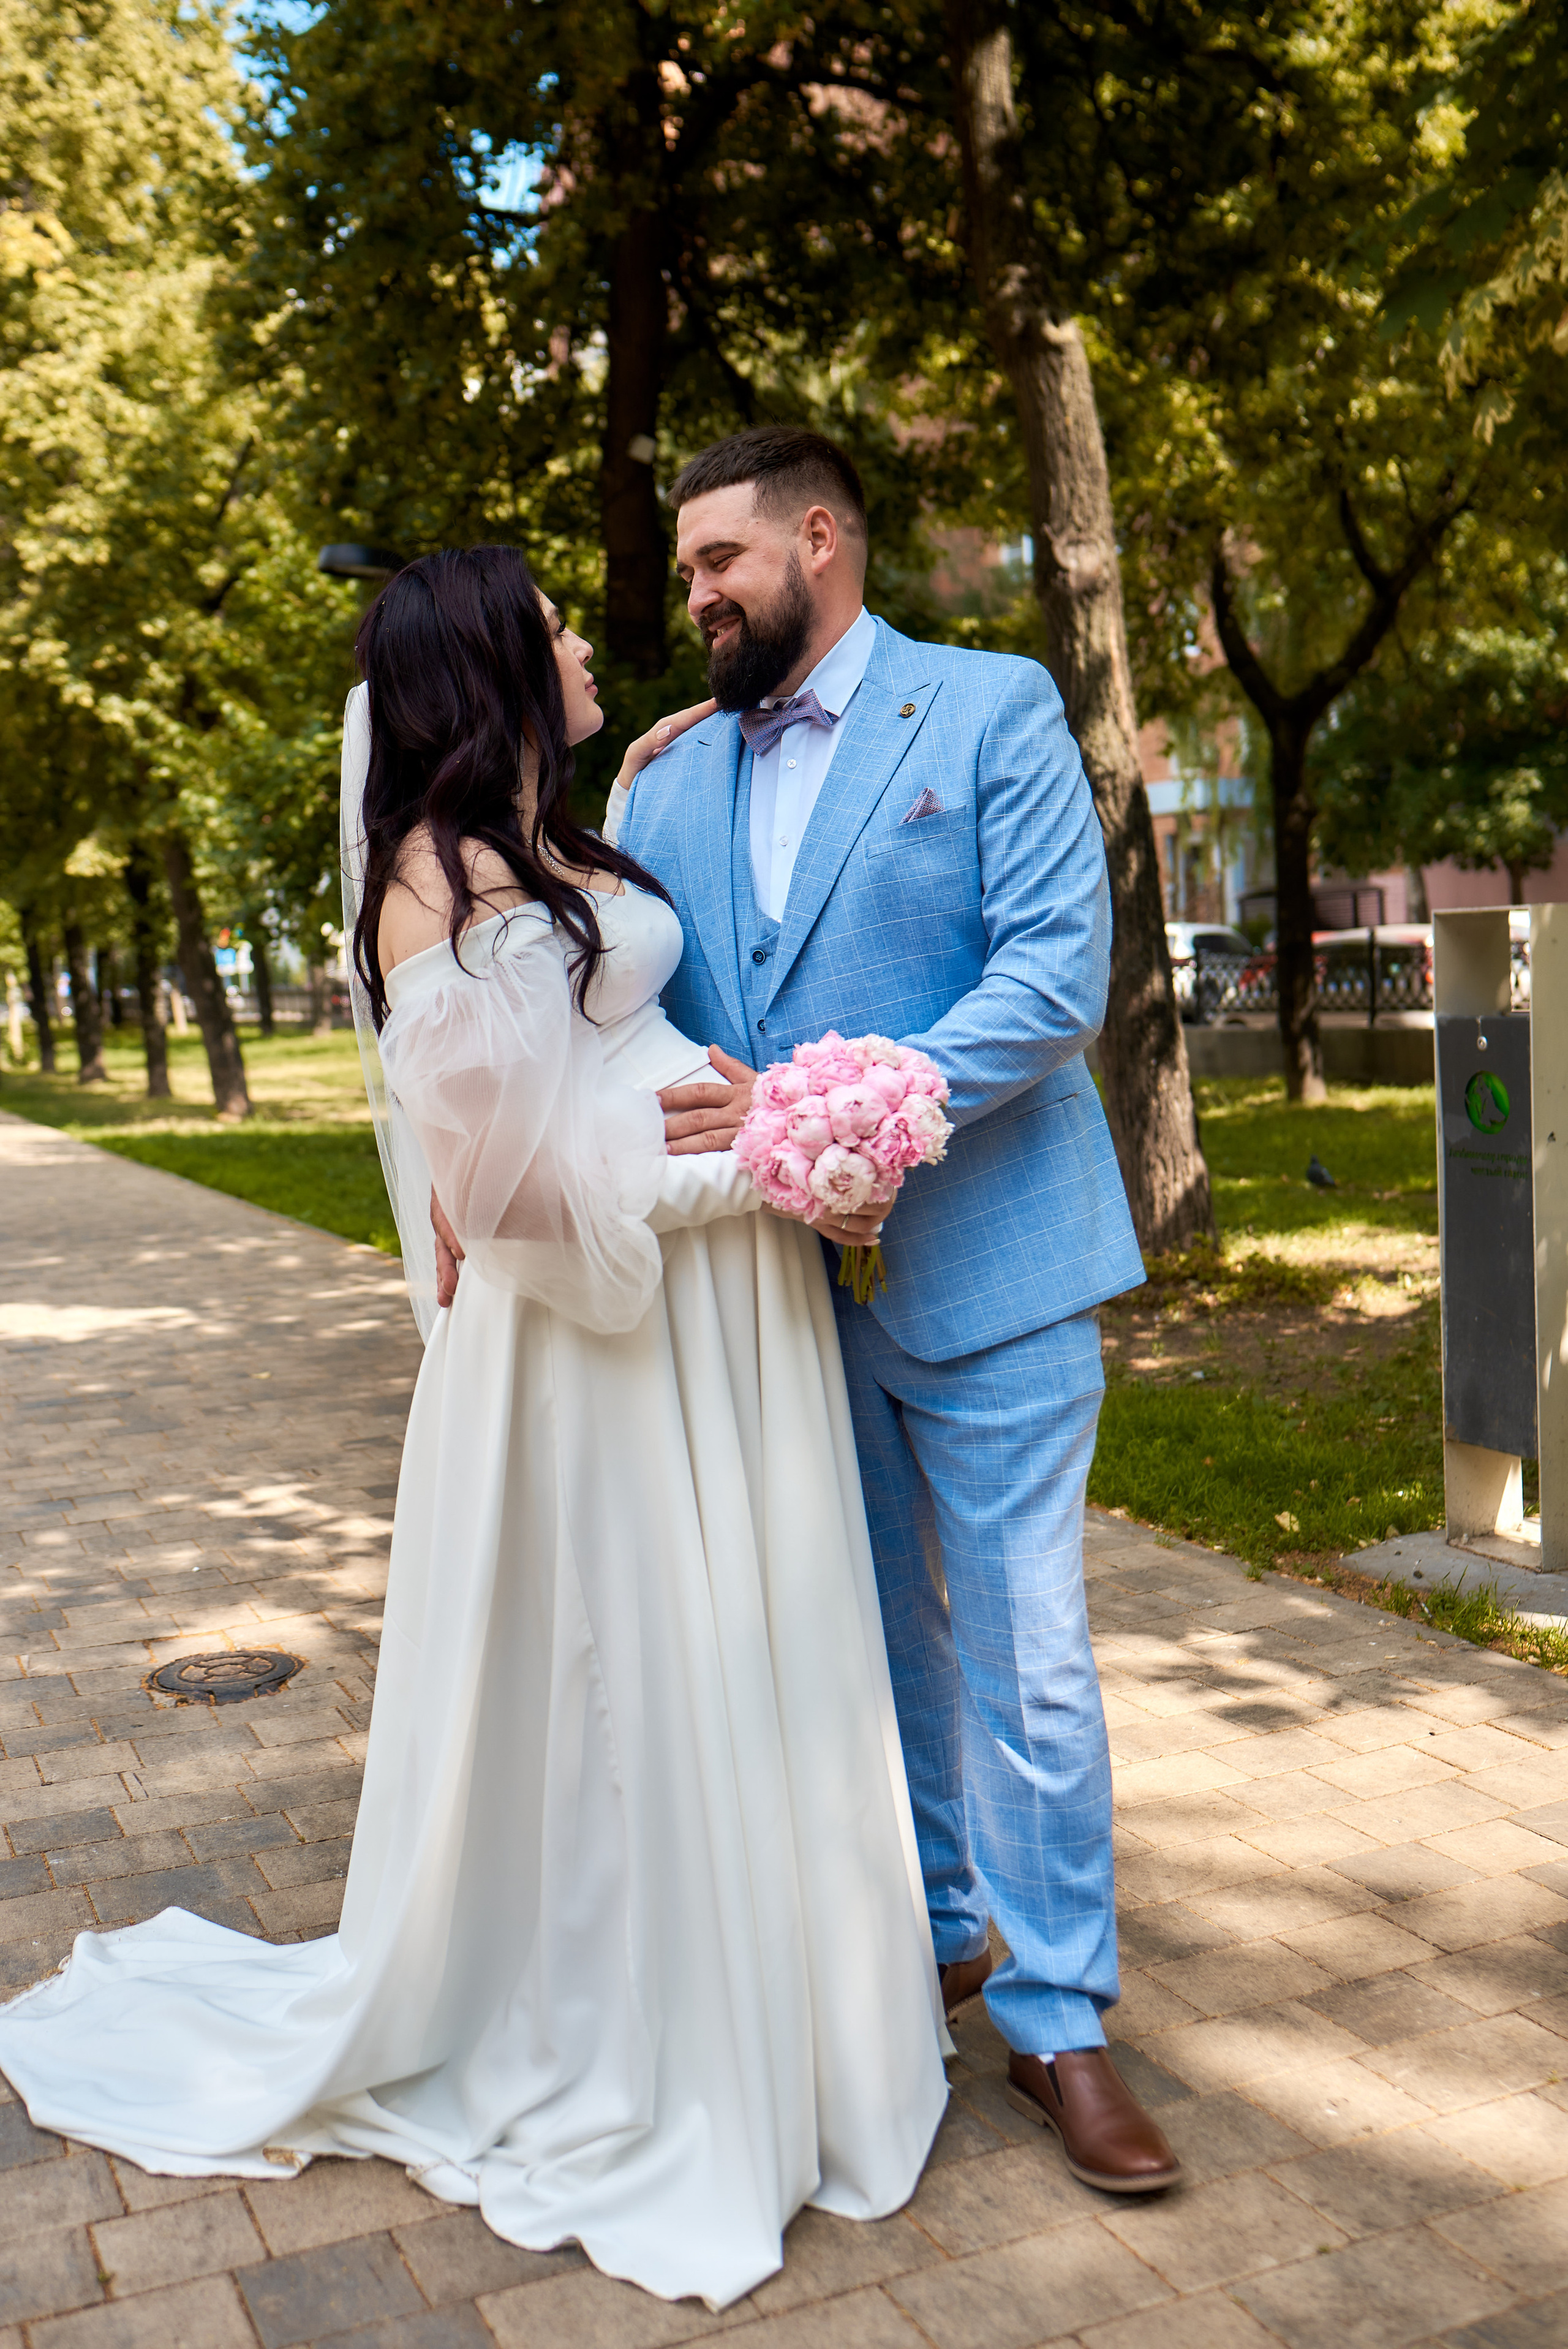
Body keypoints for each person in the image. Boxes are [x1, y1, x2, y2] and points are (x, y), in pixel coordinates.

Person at [0, 547, 948, 2310]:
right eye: (561, 625)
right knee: (633, 1670)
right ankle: (641, 2031)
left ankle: (792, 2007)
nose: (594, 637)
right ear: (495, 661)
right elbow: (504, 1191)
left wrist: (758, 1132)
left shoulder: (561, 841)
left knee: (737, 1649)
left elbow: (602, 1029)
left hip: (707, 1310)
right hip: (599, 1334)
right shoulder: (433, 889)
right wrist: (756, 1162)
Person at [604, 426, 1181, 2194]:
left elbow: (1048, 978)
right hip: (779, 1301)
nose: (695, 592)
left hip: (995, 1259)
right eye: (690, 568)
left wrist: (828, 1107)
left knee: (1026, 1650)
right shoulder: (674, 780)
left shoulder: (993, 707)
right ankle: (939, 1933)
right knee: (868, 1640)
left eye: (720, 560)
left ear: (822, 538)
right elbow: (640, 1004)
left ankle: (1065, 2025)